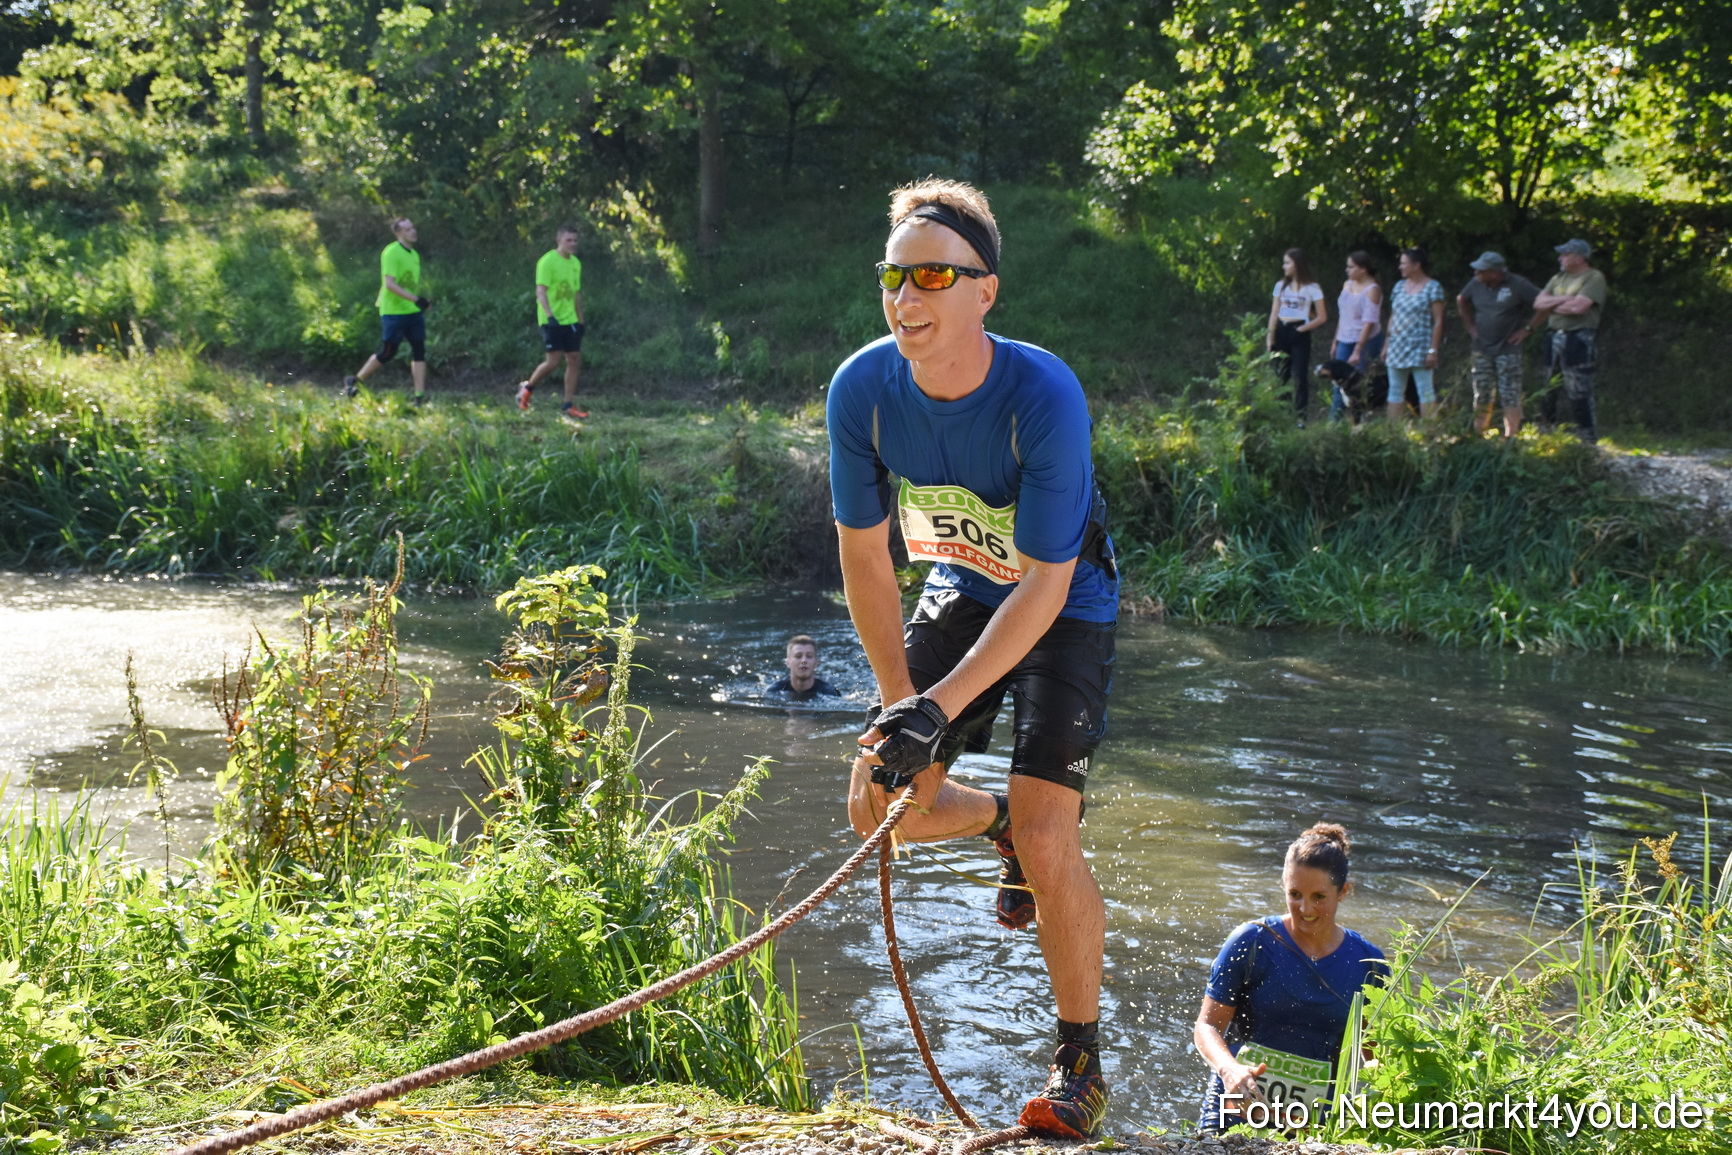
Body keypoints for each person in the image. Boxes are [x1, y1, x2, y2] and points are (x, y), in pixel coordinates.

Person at [828, 178, 1119, 1139]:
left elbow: (1042, 581)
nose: (906, 298)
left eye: (932, 276)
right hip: (960, 585)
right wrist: (898, 705)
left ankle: (1079, 1060)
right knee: (882, 806)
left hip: (1062, 603)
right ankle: (992, 821)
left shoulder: (1043, 393)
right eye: (893, 277)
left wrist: (939, 706)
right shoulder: (862, 390)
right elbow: (867, 558)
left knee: (1051, 836)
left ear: (983, 291)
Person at [1193, 824, 1387, 1135]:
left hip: (1314, 1126)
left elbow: (1375, 1056)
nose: (1304, 908)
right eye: (1294, 894)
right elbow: (1207, 1026)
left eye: (1319, 897)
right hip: (1234, 1112)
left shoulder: (1369, 965)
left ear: (1344, 892)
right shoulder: (1251, 941)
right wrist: (1228, 1069)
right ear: (1283, 885)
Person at [343, 218, 431, 406]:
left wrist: (419, 303)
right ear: (398, 233)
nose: (413, 231)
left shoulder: (414, 254)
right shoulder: (391, 252)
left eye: (413, 227)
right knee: (388, 352)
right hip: (393, 311)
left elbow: (408, 284)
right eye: (407, 229)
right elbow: (390, 285)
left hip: (412, 311)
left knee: (419, 351)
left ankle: (419, 397)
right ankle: (354, 381)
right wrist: (417, 300)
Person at [1455, 252, 1543, 438]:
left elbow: (1544, 303)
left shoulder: (1518, 284)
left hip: (1508, 349)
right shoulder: (1476, 283)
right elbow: (1461, 299)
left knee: (1509, 393)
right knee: (1482, 392)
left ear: (1495, 272)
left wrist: (1527, 328)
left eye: (1481, 270)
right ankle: (1479, 435)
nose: (1476, 273)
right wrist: (1471, 327)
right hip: (1482, 348)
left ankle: (1511, 437)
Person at [1533, 239, 1609, 443]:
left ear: (1579, 257)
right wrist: (1565, 299)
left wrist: (1553, 305)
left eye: (1565, 254)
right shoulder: (1558, 278)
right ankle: (1546, 434)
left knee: (1579, 389)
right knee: (1547, 388)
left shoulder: (1594, 277)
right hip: (1553, 336)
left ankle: (1587, 439)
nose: (1560, 258)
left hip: (1579, 338)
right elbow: (1538, 303)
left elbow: (1578, 308)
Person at [515, 223, 589, 421]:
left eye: (575, 240)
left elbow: (576, 293)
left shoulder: (575, 263)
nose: (572, 244)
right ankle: (527, 389)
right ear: (559, 240)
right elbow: (540, 291)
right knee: (553, 361)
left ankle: (567, 405)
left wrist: (580, 320)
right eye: (568, 240)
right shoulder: (547, 261)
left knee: (574, 359)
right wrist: (550, 316)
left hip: (570, 319)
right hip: (552, 319)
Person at [1266, 249, 1329, 424]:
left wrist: (1302, 329)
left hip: (1299, 330)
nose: (1284, 266)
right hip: (1281, 329)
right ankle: (1284, 415)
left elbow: (1322, 316)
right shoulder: (1281, 285)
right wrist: (1270, 337)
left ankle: (1301, 417)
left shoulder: (1312, 287)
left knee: (1300, 376)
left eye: (1287, 263)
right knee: (1281, 376)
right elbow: (1273, 313)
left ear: (1297, 264)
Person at [1383, 248, 1445, 424]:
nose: (1400, 267)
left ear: (1417, 265)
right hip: (1397, 346)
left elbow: (1438, 321)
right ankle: (1393, 432)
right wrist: (1387, 343)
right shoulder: (1398, 287)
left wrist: (1433, 350)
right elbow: (1393, 315)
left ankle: (1429, 431)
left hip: (1421, 346)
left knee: (1425, 390)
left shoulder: (1433, 287)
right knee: (1395, 390)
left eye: (1403, 263)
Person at [1329, 252, 1384, 423]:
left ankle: (1360, 422)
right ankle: (1334, 422)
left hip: (1365, 341)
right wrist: (1335, 341)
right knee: (1338, 382)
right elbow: (1342, 315)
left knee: (1359, 384)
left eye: (1351, 267)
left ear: (1363, 269)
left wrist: (1358, 350)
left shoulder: (1372, 290)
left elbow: (1369, 322)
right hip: (1344, 339)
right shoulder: (1347, 285)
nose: (1347, 270)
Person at [765, 634, 841, 701]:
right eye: (798, 656)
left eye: (809, 656)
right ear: (788, 663)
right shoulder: (774, 691)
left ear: (816, 663)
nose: (804, 660)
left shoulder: (830, 693)